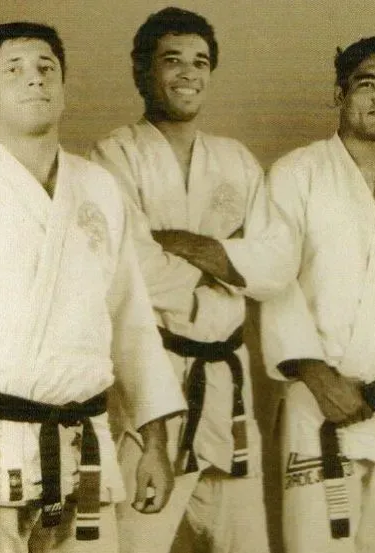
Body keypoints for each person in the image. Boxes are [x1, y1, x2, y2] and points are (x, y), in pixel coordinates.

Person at [0, 22, 187, 552]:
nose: (35, 80)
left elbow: (130, 320)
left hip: (86, 447)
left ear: (63, 88)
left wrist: (154, 440)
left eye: (46, 69)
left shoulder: (99, 188)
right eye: (14, 70)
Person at [90, 8, 295, 553]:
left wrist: (180, 241)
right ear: (142, 72)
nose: (188, 73)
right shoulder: (114, 155)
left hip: (228, 385)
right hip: (151, 375)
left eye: (200, 62)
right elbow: (127, 264)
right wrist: (220, 283)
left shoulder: (237, 161)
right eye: (171, 60)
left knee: (245, 541)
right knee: (137, 539)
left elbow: (275, 266)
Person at [259, 36, 375, 553]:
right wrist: (316, 376)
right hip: (319, 399)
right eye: (368, 84)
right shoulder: (296, 174)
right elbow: (276, 283)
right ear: (339, 93)